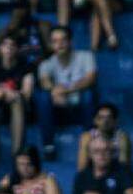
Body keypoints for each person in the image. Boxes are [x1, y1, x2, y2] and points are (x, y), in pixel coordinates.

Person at [35, 26, 96, 159]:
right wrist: (54, 91)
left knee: (88, 94)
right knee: (43, 96)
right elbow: (45, 81)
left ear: (70, 42)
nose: (59, 44)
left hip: (81, 107)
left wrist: (66, 90)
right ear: (51, 44)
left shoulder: (85, 56)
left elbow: (90, 79)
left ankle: (90, 142)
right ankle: (48, 145)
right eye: (55, 41)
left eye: (63, 40)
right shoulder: (46, 63)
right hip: (58, 111)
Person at [0, 35, 32, 155]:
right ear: (0, 48)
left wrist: (11, 94)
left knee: (17, 101)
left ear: (17, 49)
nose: (9, 48)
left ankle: (17, 151)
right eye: (5, 45)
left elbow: (27, 93)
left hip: (20, 106)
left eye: (12, 45)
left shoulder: (25, 65)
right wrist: (4, 92)